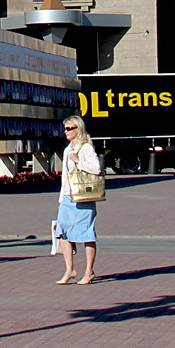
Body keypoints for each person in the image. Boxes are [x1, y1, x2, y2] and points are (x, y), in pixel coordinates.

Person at [55, 114, 102, 285]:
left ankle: (89, 271)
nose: (65, 131)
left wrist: (78, 161)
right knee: (62, 231)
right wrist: (61, 200)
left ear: (78, 129)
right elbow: (65, 177)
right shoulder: (68, 148)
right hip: (69, 195)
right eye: (65, 128)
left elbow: (96, 169)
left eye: (69, 128)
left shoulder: (86, 148)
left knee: (85, 232)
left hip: (84, 197)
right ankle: (70, 269)